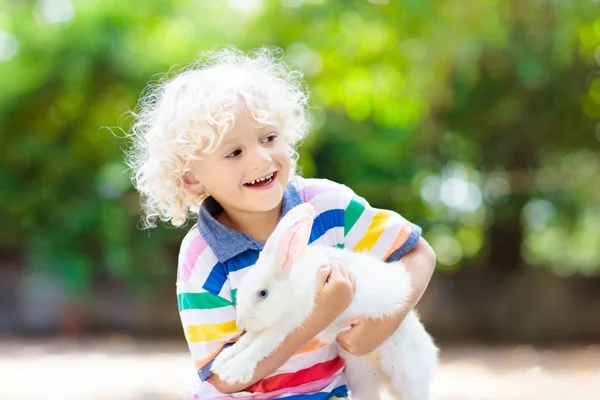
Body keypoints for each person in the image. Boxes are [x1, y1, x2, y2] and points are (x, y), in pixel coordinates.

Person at [126, 46, 436, 399]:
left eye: (269, 138)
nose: (262, 158)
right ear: (192, 179)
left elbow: (419, 253)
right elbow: (223, 376)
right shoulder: (202, 257)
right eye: (234, 152)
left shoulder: (327, 205)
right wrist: (317, 317)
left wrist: (384, 323)